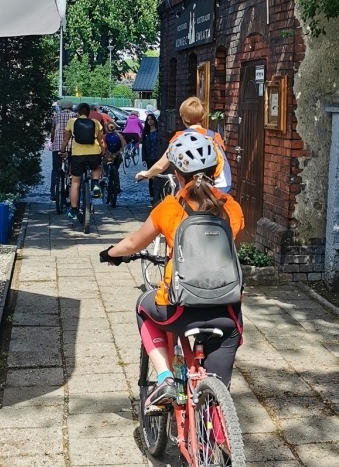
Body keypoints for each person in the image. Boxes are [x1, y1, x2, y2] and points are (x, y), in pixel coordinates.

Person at [100, 130, 245, 407]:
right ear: (216, 169)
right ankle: (219, 434)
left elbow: (132, 243)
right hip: (227, 313)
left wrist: (111, 254)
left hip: (179, 310)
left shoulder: (169, 208)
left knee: (143, 306)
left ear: (177, 174)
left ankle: (165, 377)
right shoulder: (232, 209)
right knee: (216, 397)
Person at [137, 95, 231, 194]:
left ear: (183, 118)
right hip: (222, 187)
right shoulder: (215, 136)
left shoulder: (179, 138)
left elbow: (161, 166)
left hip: (195, 191)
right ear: (203, 117)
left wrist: (147, 174)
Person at [63, 102, 105, 220]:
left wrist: (62, 150)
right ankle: (95, 183)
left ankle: (74, 210)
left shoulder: (72, 122)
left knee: (75, 183)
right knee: (96, 167)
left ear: (78, 112)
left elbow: (66, 138)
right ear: (89, 113)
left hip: (78, 155)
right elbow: (101, 141)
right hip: (94, 153)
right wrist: (103, 151)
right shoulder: (95, 123)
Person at [49, 99, 73, 200]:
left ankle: (53, 192)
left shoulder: (56, 116)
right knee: (72, 168)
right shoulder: (74, 116)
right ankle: (70, 188)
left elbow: (53, 130)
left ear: (61, 107)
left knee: (55, 169)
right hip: (71, 146)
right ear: (71, 107)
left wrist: (52, 139)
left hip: (57, 146)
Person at [141, 113, 162, 202]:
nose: (150, 121)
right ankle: (152, 195)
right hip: (149, 157)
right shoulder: (146, 133)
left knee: (158, 176)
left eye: (151, 119)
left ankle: (158, 194)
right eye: (148, 119)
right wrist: (144, 158)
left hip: (157, 157)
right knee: (151, 176)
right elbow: (144, 147)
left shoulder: (158, 132)